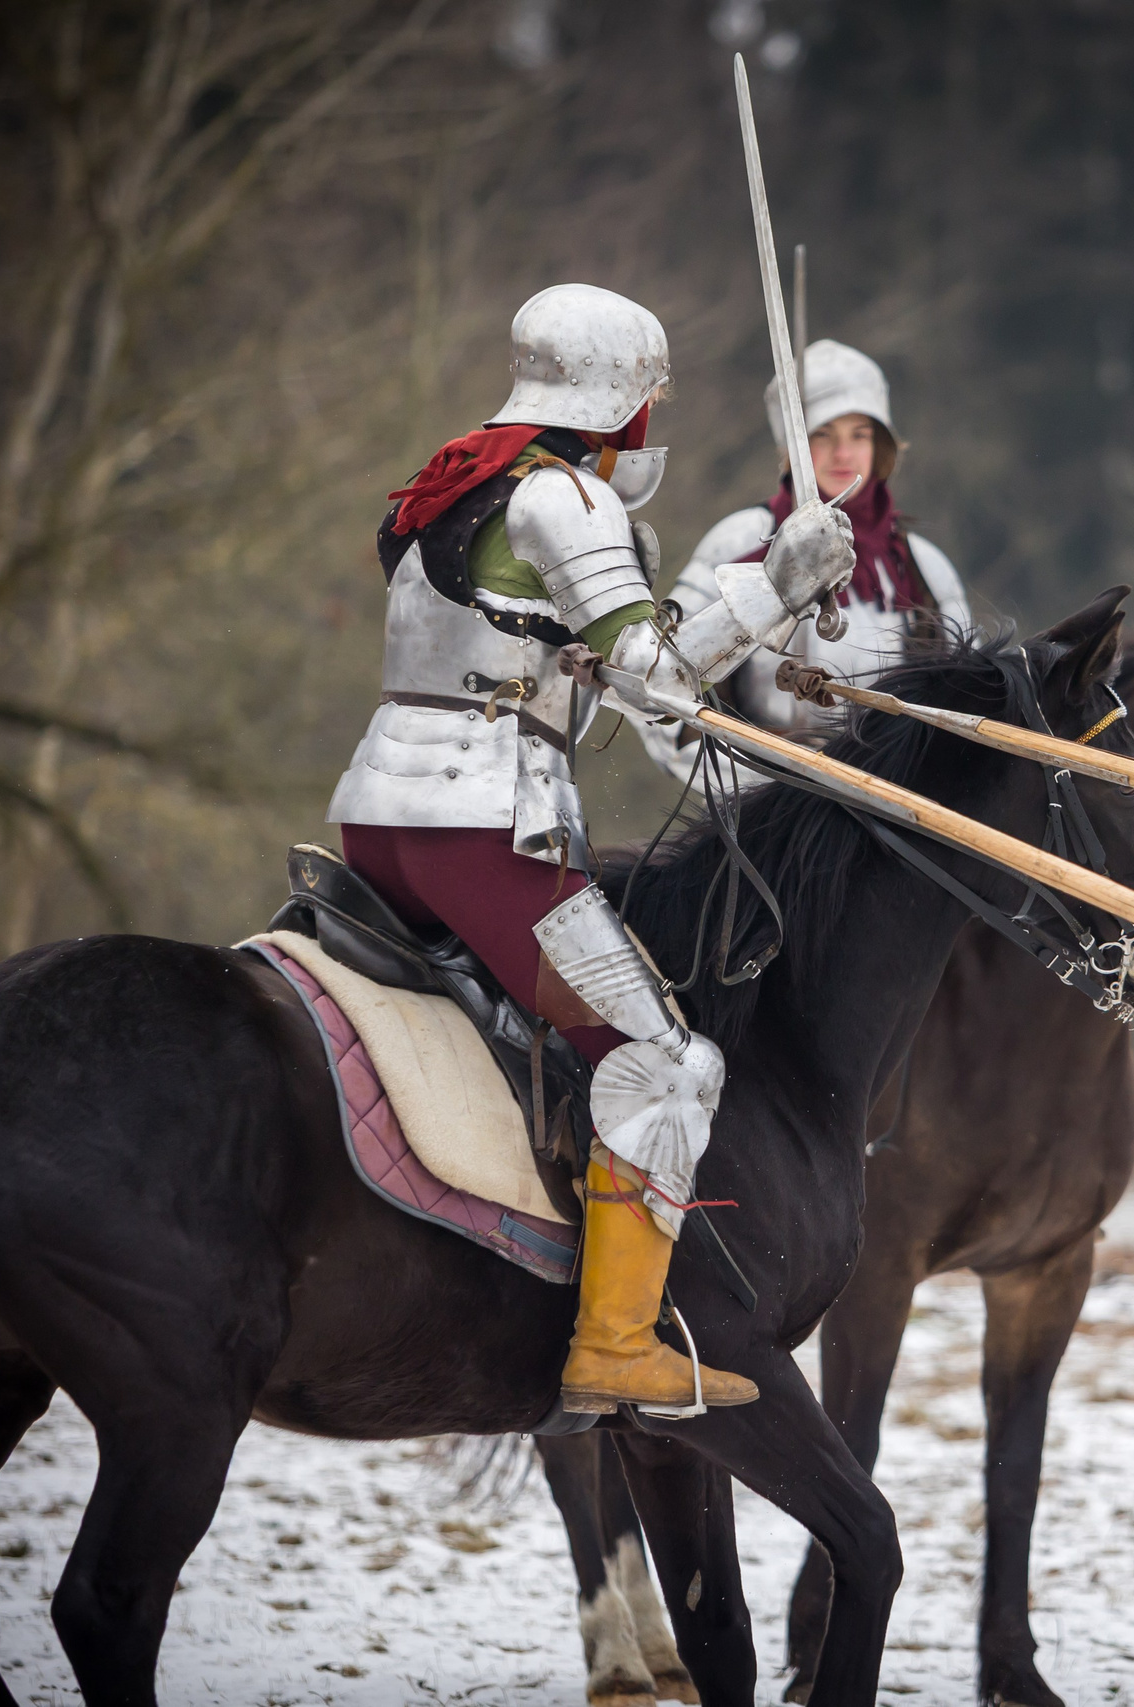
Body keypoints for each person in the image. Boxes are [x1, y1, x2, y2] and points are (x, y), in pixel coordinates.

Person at [325, 283, 854, 1413]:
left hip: (377, 815)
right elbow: (655, 681)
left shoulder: (449, 484)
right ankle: (613, 1341)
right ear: (623, 399)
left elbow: (578, 665)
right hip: (480, 825)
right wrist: (777, 585)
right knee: (667, 1061)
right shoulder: (566, 498)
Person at [638, 338, 968, 782]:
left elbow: (966, 704)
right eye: (823, 435)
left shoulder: (922, 565)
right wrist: (759, 791)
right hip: (769, 799)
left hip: (897, 799)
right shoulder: (738, 541)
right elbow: (660, 683)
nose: (843, 454)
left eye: (859, 435)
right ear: (794, 446)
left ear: (881, 446)